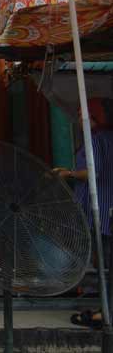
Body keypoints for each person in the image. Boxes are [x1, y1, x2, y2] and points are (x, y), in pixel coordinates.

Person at [55, 97, 113, 329]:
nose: (79, 119)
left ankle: (105, 312)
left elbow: (92, 173)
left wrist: (68, 174)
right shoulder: (108, 137)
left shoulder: (96, 140)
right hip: (108, 210)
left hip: (99, 212)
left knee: (103, 264)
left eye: (83, 114)